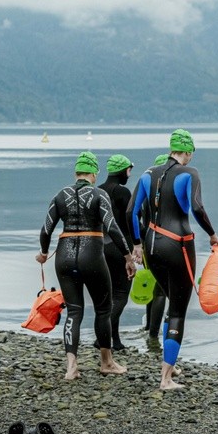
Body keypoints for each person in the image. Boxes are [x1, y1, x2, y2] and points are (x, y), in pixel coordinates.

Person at [130, 131, 218, 390]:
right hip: (178, 244)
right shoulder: (189, 173)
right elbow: (197, 207)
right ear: (188, 151)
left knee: (171, 299)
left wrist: (137, 244)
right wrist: (213, 235)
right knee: (178, 310)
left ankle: (169, 365)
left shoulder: (149, 173)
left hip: (151, 245)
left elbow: (132, 211)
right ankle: (165, 379)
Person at [36, 151, 135, 380]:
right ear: (94, 173)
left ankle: (71, 366)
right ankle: (107, 362)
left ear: (76, 172)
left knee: (74, 311)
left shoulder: (60, 195)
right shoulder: (99, 195)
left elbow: (46, 230)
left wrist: (43, 254)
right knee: (103, 309)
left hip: (64, 255)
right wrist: (128, 256)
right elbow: (112, 228)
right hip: (92, 254)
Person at [96, 154, 135, 350]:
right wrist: (137, 244)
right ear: (123, 171)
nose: (130, 174)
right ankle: (101, 336)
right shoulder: (123, 192)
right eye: (129, 170)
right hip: (120, 248)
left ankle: (115, 340)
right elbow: (130, 220)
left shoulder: (98, 190)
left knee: (109, 296)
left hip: (100, 248)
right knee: (120, 295)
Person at [139, 153, 169, 339]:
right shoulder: (171, 190)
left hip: (147, 242)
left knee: (151, 281)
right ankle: (153, 334)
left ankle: (149, 325)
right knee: (160, 291)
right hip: (166, 243)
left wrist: (140, 243)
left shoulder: (146, 191)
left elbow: (138, 218)